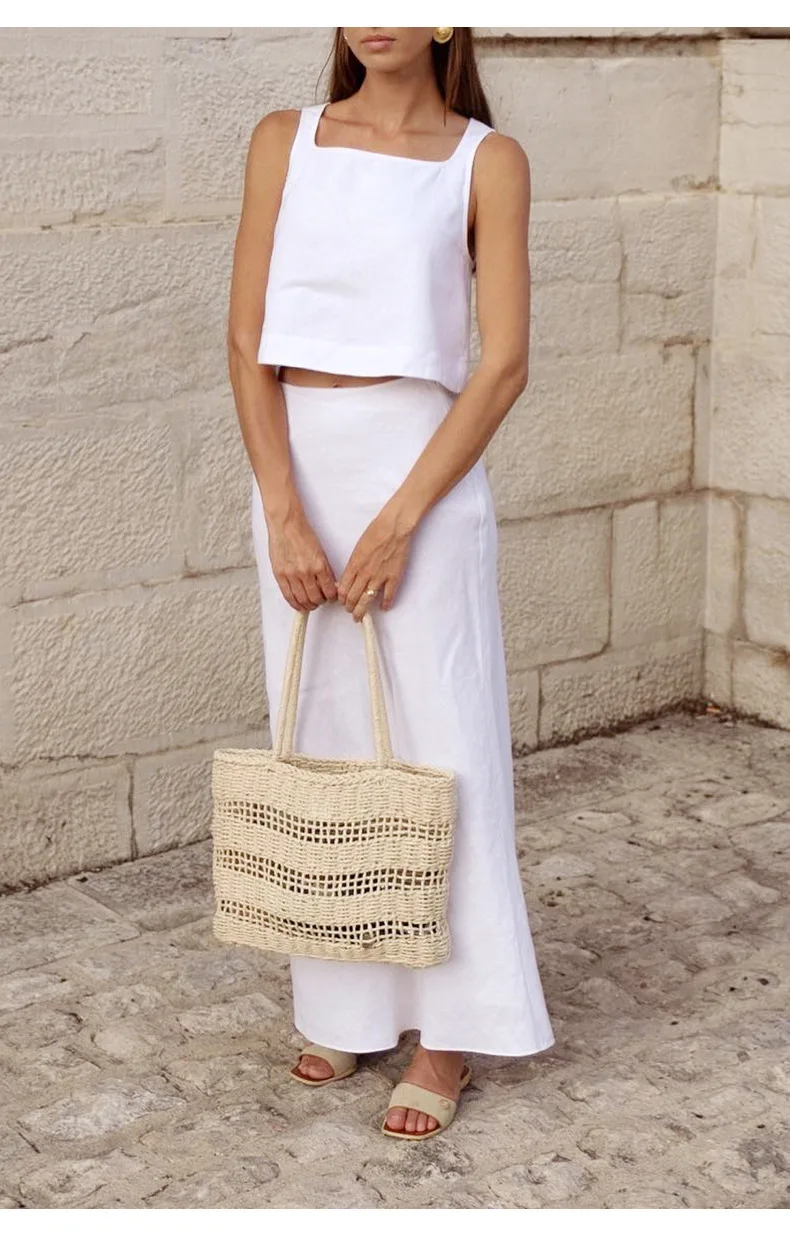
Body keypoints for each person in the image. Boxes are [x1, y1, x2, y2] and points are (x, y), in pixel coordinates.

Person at [226, 26, 555, 1140]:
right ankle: (344, 1004)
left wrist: (402, 518)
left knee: (439, 743)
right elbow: (245, 339)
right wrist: (281, 506)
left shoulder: (486, 160)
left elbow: (503, 362)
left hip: (424, 476)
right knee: (324, 741)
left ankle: (450, 1031)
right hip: (299, 470)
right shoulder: (284, 139)